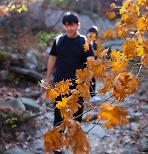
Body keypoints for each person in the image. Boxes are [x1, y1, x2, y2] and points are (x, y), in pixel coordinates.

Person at [46, 12, 94, 154]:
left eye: (71, 25)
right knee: (58, 116)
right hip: (60, 85)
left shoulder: (84, 42)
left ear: (77, 25)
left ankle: (75, 146)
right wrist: (48, 77)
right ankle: (57, 147)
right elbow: (52, 60)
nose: (69, 29)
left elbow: (91, 62)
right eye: (66, 26)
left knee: (76, 118)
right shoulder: (58, 41)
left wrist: (87, 82)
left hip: (77, 88)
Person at [87, 26, 98, 97]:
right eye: (90, 32)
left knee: (93, 78)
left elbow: (97, 53)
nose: (91, 34)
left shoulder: (95, 43)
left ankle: (92, 94)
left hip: (93, 63)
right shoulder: (83, 40)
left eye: (94, 33)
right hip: (85, 62)